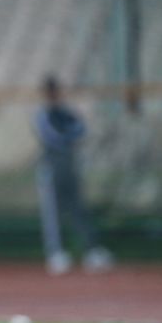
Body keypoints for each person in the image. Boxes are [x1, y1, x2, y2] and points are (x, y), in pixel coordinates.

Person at [33, 75, 112, 275]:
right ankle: (55, 253)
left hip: (69, 164)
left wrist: (69, 133)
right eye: (50, 91)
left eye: (55, 90)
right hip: (52, 166)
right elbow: (53, 136)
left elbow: (81, 129)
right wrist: (69, 134)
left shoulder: (65, 112)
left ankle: (91, 250)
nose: (53, 94)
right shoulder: (42, 114)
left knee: (78, 208)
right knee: (53, 212)